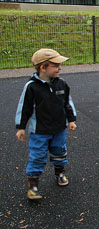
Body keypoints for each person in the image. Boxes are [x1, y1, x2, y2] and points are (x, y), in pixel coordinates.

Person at [15, 48, 77, 200]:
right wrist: (21, 127)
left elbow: (68, 103)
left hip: (59, 129)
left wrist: (71, 119)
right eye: (55, 65)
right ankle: (33, 186)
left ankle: (60, 173)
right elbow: (24, 108)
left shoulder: (62, 84)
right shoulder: (32, 87)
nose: (60, 68)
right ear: (43, 67)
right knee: (37, 156)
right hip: (40, 131)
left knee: (59, 151)